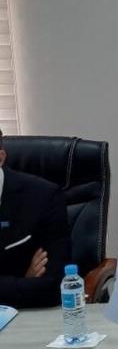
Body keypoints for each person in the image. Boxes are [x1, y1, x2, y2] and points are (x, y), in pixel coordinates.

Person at [0, 129, 71, 307]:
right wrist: (24, 280)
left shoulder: (44, 197)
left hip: (26, 317)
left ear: (0, 158)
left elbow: (54, 287)